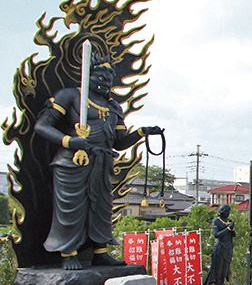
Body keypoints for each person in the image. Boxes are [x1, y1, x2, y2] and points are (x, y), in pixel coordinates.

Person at [34, 53, 162, 270]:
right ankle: (68, 252)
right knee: (72, 208)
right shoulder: (71, 96)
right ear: (88, 75)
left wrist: (142, 132)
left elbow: (118, 143)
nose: (106, 82)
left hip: (102, 162)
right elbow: (42, 126)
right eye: (101, 77)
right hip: (73, 161)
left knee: (101, 208)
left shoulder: (114, 107)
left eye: (109, 79)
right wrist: (69, 141)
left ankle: (100, 251)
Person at [204, 205, 236, 285]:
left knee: (225, 267)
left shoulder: (229, 221)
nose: (228, 213)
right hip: (220, 246)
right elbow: (216, 234)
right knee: (219, 266)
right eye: (227, 211)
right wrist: (228, 228)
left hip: (228, 247)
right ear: (222, 212)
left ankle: (222, 283)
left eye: (229, 212)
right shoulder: (216, 221)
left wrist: (232, 229)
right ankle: (217, 284)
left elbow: (233, 235)